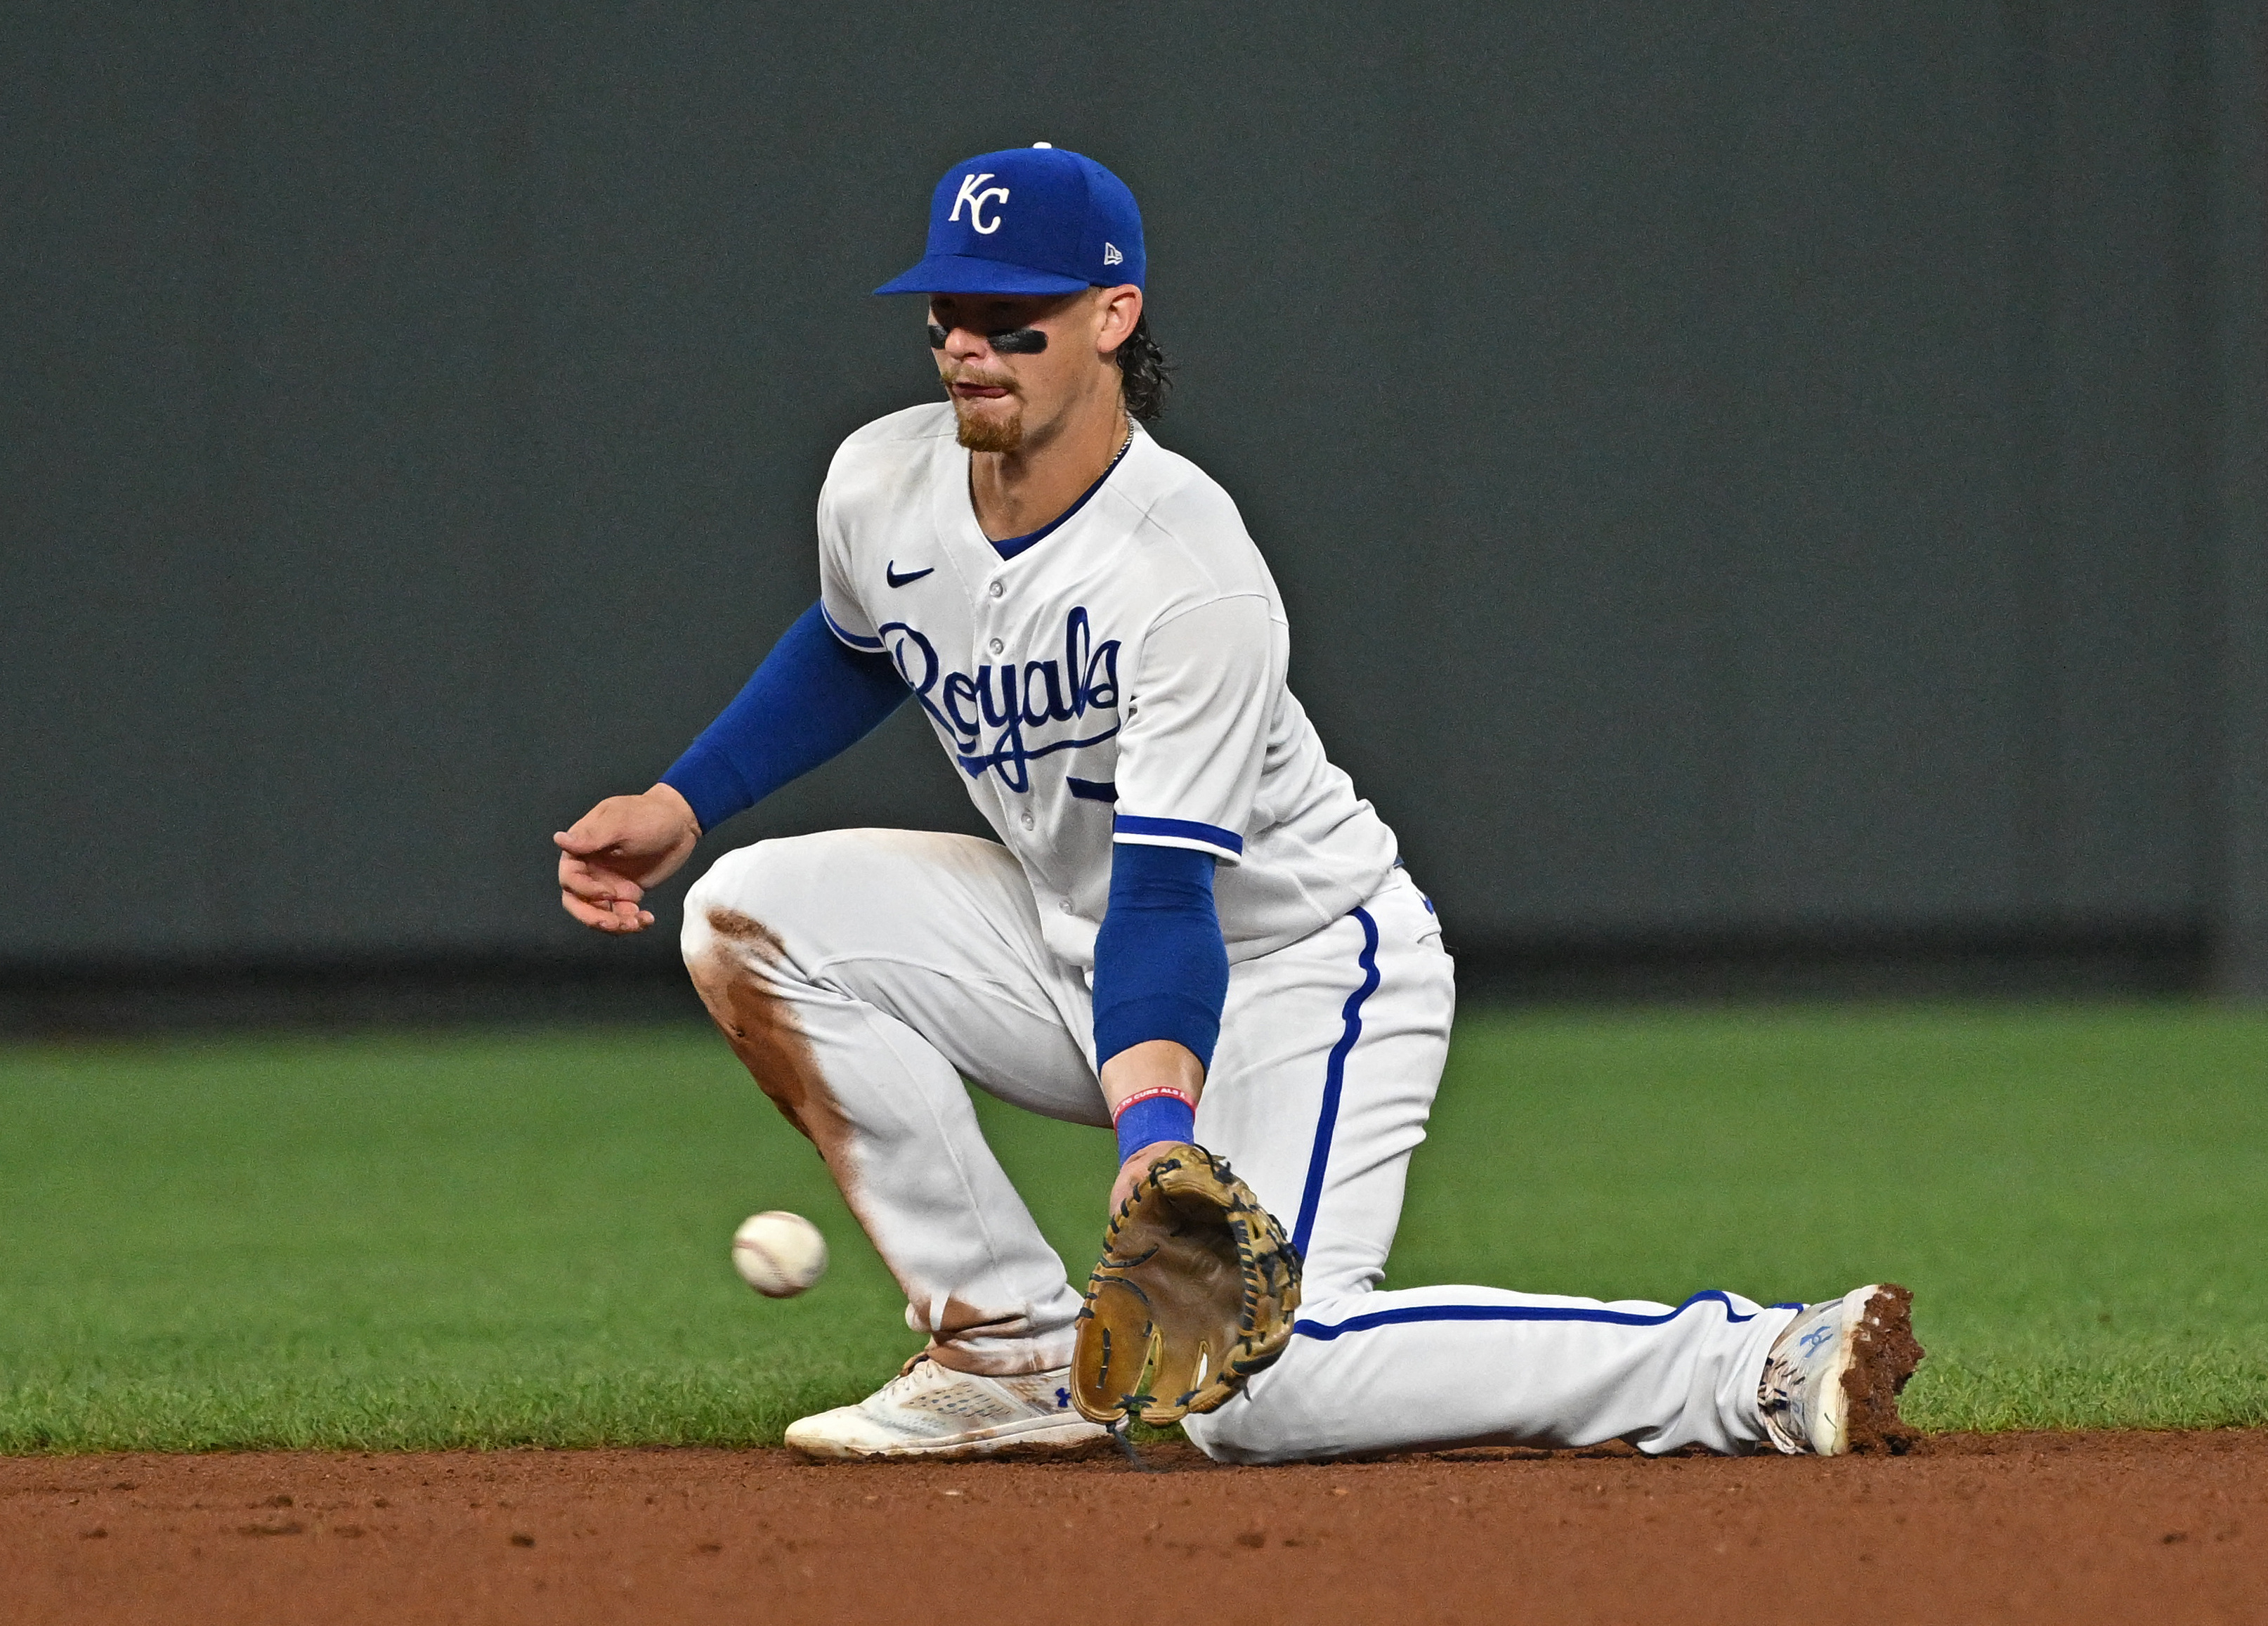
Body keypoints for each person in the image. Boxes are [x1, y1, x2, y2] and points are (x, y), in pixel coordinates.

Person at [554, 145, 1922, 1463]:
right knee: (748, 912)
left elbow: (1167, 893)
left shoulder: (1182, 568)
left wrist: (1159, 1151)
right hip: (1067, 943)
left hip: (1299, 969)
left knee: (1259, 1384)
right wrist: (687, 798)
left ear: (1111, 315)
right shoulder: (881, 478)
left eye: (1011, 316)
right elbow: (860, 643)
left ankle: (1751, 1362)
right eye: (946, 311)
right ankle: (1007, 1351)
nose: (969, 343)